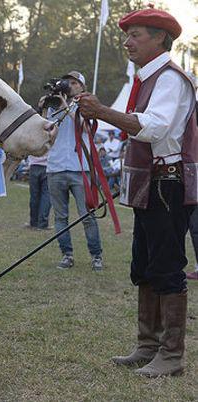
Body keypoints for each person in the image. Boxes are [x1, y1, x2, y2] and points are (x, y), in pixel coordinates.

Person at [78, 6, 196, 377]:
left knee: (166, 267)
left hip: (167, 183)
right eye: (127, 35)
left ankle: (171, 355)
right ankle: (148, 345)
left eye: (136, 35)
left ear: (161, 38)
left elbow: (154, 129)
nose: (128, 42)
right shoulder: (148, 79)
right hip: (153, 184)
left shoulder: (171, 79)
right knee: (144, 266)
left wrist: (102, 112)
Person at [40, 70, 103, 271]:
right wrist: (43, 109)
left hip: (79, 168)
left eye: (75, 83)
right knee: (60, 217)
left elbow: (85, 128)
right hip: (56, 167)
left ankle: (96, 256)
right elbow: (47, 133)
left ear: (82, 87)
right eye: (68, 82)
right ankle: (66, 255)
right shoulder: (55, 106)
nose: (70, 85)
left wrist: (67, 105)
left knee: (87, 216)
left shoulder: (87, 104)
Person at [27, 154, 51, 230]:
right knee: (46, 195)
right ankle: (43, 223)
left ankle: (33, 222)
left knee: (34, 196)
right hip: (48, 166)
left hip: (34, 165)